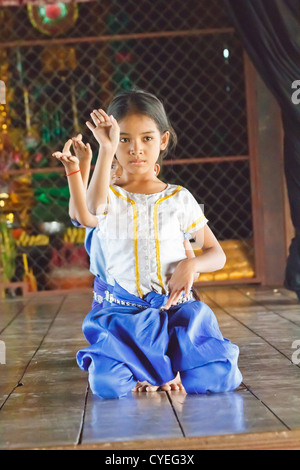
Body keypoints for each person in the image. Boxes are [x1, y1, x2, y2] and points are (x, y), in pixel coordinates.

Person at [53, 89, 242, 399]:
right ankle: (152, 373)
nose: (136, 149)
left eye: (147, 139)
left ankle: (159, 372)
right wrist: (105, 147)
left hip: (175, 317)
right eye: (124, 139)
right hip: (123, 320)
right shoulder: (109, 196)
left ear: (163, 140)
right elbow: (93, 209)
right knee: (106, 385)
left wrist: (191, 263)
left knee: (220, 376)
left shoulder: (179, 199)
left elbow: (215, 254)